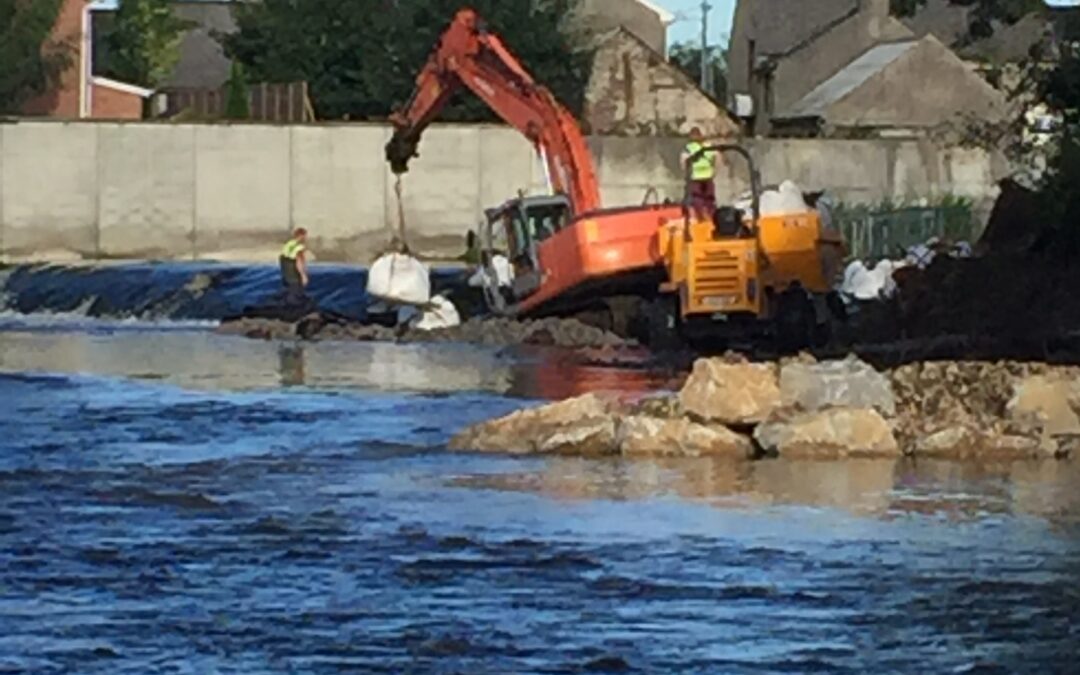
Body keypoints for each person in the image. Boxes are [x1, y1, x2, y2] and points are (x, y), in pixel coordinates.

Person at [681, 127, 719, 220]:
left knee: (698, 199)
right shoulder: (708, 146)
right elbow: (718, 156)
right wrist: (715, 170)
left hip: (696, 177)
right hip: (707, 176)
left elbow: (683, 160)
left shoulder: (689, 147)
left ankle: (702, 217)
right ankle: (709, 216)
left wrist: (685, 172)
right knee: (709, 199)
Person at [279, 227, 310, 300]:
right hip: (294, 275)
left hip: (286, 274)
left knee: (288, 292)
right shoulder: (299, 247)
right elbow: (298, 262)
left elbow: (283, 258)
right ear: (301, 236)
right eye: (305, 237)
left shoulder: (288, 244)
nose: (306, 239)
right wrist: (303, 276)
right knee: (295, 293)